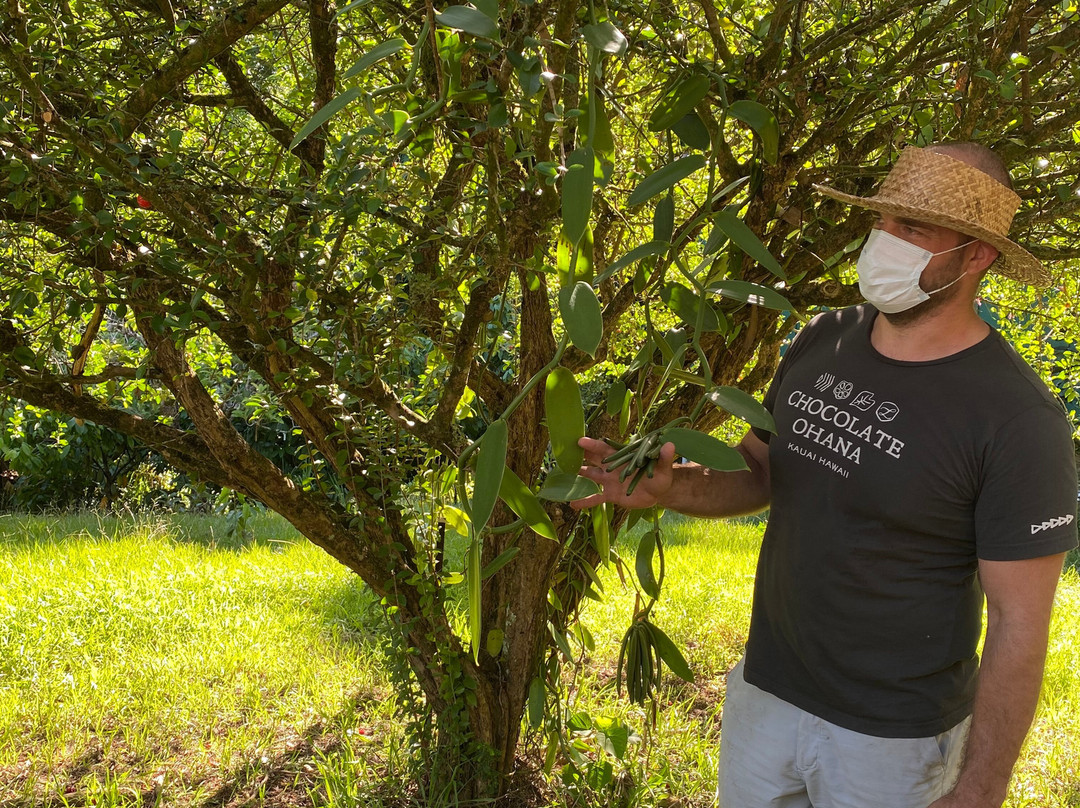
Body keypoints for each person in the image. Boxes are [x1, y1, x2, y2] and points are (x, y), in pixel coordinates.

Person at [572, 143, 1079, 808]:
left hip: (892, 740)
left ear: (976, 256)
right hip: (766, 693)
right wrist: (672, 488)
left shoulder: (1016, 419)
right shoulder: (824, 338)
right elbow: (759, 471)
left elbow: (1020, 623)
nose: (885, 242)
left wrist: (981, 787)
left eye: (914, 229)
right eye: (884, 222)